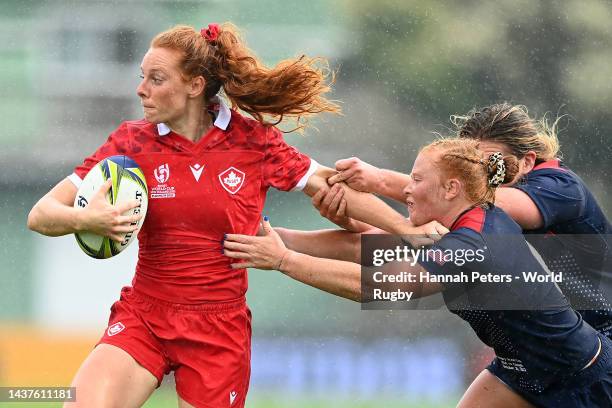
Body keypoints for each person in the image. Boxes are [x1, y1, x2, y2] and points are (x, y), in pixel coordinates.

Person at [26, 23, 444, 408]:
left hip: (217, 330)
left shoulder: (253, 142)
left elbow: (330, 186)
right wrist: (87, 220)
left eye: (156, 79)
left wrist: (407, 229)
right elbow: (41, 214)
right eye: (142, 77)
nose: (141, 90)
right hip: (145, 317)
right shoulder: (131, 142)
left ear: (194, 85)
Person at [223, 138, 612, 407]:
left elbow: (379, 285)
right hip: (520, 371)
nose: (406, 189)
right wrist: (277, 236)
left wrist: (282, 260)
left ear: (451, 189)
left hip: (585, 379)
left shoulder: (472, 244)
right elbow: (373, 245)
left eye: (416, 179)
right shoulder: (458, 227)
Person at [323, 103, 612, 338]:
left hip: (602, 332)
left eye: (493, 166)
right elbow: (403, 241)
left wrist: (379, 180)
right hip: (563, 341)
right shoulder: (479, 215)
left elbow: (469, 199)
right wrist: (352, 221)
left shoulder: (560, 188)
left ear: (527, 161)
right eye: (471, 166)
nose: (479, 177)